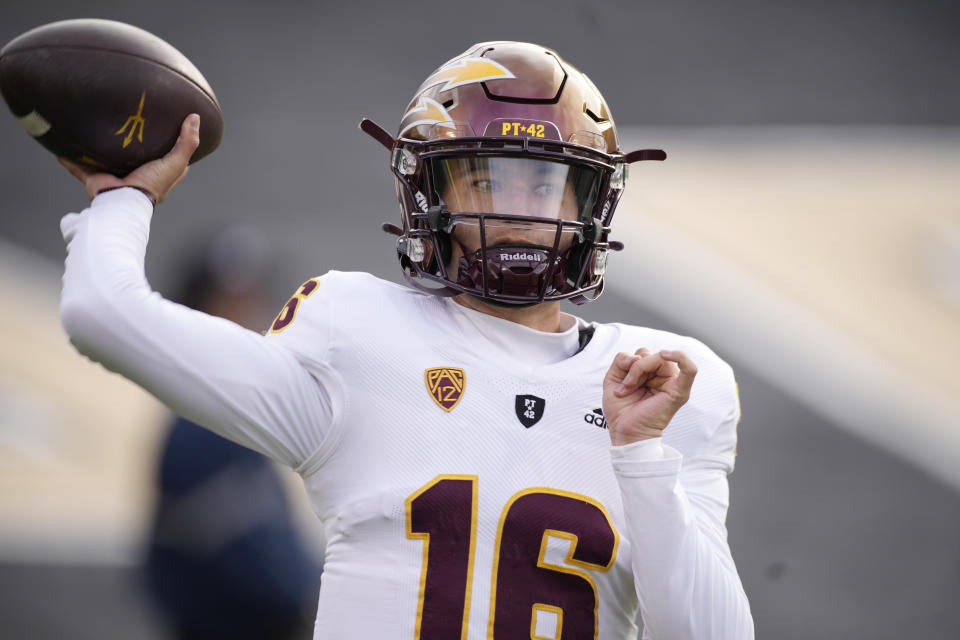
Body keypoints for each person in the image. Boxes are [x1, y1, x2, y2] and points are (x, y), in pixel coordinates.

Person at [58, 41, 753, 639]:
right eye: (481, 178)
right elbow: (104, 315)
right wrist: (123, 198)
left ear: (590, 204)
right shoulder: (357, 333)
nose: (514, 211)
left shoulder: (666, 387)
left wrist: (641, 457)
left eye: (543, 184)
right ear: (425, 193)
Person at [144, 228, 321, 640]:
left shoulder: (221, 404)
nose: (248, 314)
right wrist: (304, 595)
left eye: (252, 298)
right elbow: (246, 543)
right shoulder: (206, 418)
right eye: (230, 302)